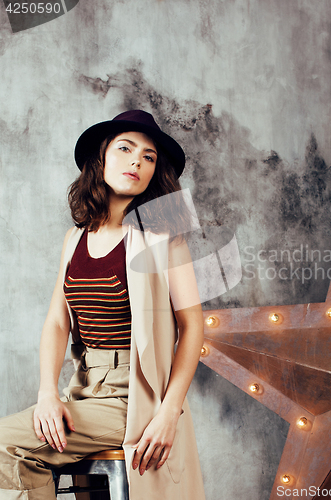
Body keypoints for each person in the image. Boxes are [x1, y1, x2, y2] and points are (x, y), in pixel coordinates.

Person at [0, 110, 206, 499]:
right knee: (23, 454)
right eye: (125, 149)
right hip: (84, 386)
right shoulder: (75, 238)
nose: (137, 162)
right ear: (100, 159)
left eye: (149, 157)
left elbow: (193, 326)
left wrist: (169, 411)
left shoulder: (164, 239)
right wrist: (48, 393)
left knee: (5, 444)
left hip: (135, 395)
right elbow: (57, 322)